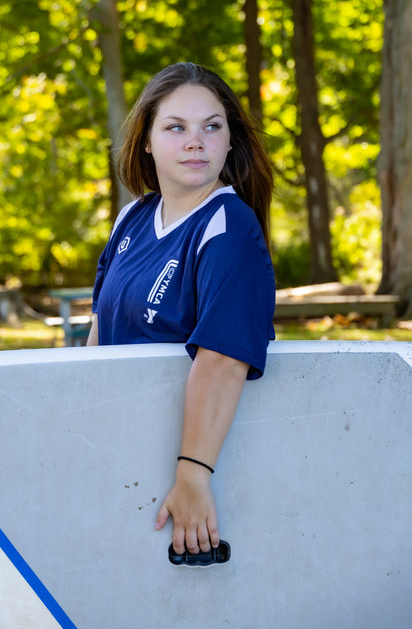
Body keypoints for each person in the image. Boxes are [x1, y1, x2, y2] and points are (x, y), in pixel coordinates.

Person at [87, 61, 275, 557]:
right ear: (147, 140)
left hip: (182, 467)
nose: (196, 141)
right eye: (176, 127)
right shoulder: (132, 217)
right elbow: (98, 333)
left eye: (212, 126)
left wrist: (192, 473)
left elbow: (223, 359)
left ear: (229, 140)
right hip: (113, 450)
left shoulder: (229, 226)